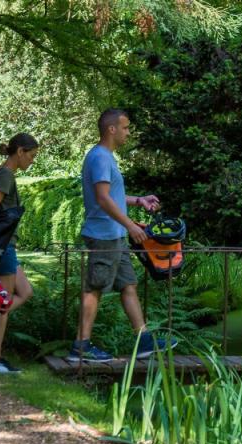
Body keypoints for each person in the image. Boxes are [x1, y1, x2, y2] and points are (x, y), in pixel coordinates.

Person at [67, 109, 177, 362]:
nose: (129, 132)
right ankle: (81, 345)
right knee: (94, 287)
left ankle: (143, 340)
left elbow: (112, 195)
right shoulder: (100, 158)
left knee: (128, 284)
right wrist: (130, 225)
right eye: (126, 128)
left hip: (114, 234)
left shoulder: (106, 158)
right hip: (104, 235)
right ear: (111, 129)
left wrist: (138, 200)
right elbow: (102, 199)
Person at [0, 133, 38, 373]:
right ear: (20, 152)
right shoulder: (5, 174)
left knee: (25, 291)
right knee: (2, 303)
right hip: (1, 247)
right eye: (32, 155)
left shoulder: (1, 172)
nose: (32, 161)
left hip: (6, 246)